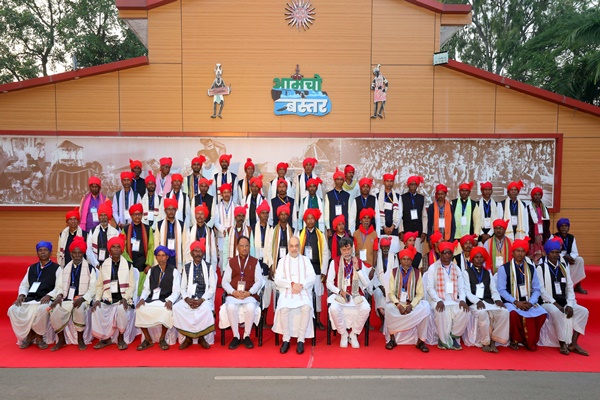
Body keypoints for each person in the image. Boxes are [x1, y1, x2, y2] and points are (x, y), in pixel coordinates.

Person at [536, 240, 589, 356]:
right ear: (547, 253)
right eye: (552, 252)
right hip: (547, 302)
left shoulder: (563, 266)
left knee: (583, 311)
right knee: (556, 312)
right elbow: (542, 291)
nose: (555, 255)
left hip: (564, 301)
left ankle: (573, 343)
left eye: (557, 252)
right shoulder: (540, 268)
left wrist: (569, 304)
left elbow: (570, 287)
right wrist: (556, 304)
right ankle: (562, 343)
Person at [8, 241, 61, 349]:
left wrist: (49, 295)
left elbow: (59, 287)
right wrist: (21, 296)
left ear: (50, 252)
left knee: (42, 310)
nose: (43, 253)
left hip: (45, 299)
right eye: (40, 251)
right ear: (37, 253)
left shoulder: (57, 268)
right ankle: (29, 334)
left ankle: (39, 336)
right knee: (13, 309)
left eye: (45, 250)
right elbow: (24, 285)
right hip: (31, 299)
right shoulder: (31, 268)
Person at [497, 238, 547, 351]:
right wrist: (516, 302)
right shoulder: (504, 268)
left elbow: (536, 289)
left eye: (522, 251)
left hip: (528, 301)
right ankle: (515, 339)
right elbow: (501, 290)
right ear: (513, 252)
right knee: (513, 313)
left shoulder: (531, 268)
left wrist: (531, 302)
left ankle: (529, 340)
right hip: (511, 301)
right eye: (517, 251)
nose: (520, 253)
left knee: (542, 313)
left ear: (526, 253)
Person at [49, 237, 96, 351]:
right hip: (66, 298)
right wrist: (59, 296)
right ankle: (61, 340)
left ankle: (80, 338)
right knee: (54, 309)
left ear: (83, 254)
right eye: (74, 253)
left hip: (82, 299)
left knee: (79, 309)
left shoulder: (90, 268)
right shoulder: (64, 268)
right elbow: (59, 286)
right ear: (70, 254)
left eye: (80, 253)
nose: (77, 255)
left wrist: (83, 298)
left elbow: (93, 288)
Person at [91, 234, 135, 350]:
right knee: (96, 309)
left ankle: (120, 337)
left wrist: (125, 298)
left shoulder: (128, 265)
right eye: (113, 247)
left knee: (121, 309)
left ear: (122, 249)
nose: (116, 249)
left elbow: (131, 286)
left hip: (123, 298)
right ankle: (105, 339)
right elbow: (99, 285)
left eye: (118, 247)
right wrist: (96, 300)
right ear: (109, 250)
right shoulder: (104, 265)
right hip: (108, 299)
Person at [273, 236, 317, 354]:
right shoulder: (282, 261)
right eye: (291, 246)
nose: (294, 249)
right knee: (284, 308)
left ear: (300, 247)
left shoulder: (305, 260)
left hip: (303, 291)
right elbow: (277, 279)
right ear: (288, 247)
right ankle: (286, 339)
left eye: (296, 246)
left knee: (306, 307)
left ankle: (300, 339)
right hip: (287, 291)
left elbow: (312, 277)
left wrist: (301, 285)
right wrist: (291, 284)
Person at [326, 237, 371, 348]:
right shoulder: (334, 262)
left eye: (348, 249)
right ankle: (343, 334)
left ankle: (354, 334)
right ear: (340, 250)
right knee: (333, 308)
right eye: (344, 250)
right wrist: (340, 291)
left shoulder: (359, 262)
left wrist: (358, 269)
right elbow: (329, 283)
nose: (346, 252)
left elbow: (367, 283)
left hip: (355, 294)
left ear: (352, 249)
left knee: (366, 308)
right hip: (340, 294)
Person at [384, 245, 430, 352]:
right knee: (389, 309)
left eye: (408, 259)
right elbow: (390, 293)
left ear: (411, 260)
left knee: (426, 307)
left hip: (412, 304)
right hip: (398, 303)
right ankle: (392, 338)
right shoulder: (393, 272)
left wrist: (411, 306)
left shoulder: (417, 273)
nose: (406, 262)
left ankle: (421, 341)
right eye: (403, 259)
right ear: (400, 260)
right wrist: (398, 305)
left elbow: (420, 294)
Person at [462, 247, 509, 353]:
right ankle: (485, 342)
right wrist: (477, 301)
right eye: (476, 257)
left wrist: (497, 299)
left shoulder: (487, 272)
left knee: (504, 312)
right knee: (482, 313)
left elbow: (493, 290)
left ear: (484, 259)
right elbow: (467, 292)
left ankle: (495, 339)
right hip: (474, 303)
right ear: (472, 259)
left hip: (488, 301)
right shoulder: (466, 272)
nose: (479, 260)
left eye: (481, 257)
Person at [174, 239, 217, 350]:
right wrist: (187, 299)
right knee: (177, 308)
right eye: (195, 251)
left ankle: (201, 337)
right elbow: (182, 288)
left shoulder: (209, 267)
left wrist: (201, 300)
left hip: (203, 298)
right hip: (189, 298)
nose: (198, 254)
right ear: (191, 253)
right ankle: (188, 337)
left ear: (203, 253)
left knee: (206, 309)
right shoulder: (187, 267)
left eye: (200, 251)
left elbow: (212, 288)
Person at [221, 236, 263, 350]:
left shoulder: (255, 262)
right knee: (230, 307)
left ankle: (246, 336)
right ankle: (236, 336)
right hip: (234, 294)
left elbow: (259, 281)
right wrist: (233, 292)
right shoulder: (232, 262)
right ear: (237, 247)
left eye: (246, 246)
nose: (244, 248)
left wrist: (249, 293)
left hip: (248, 295)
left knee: (250, 307)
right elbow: (224, 281)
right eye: (242, 246)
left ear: (249, 247)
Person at [135, 246, 181, 351]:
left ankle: (162, 338)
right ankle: (148, 339)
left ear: (167, 257)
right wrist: (142, 299)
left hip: (166, 299)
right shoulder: (151, 271)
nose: (161, 258)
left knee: (165, 310)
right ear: (156, 257)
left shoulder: (174, 271)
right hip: (152, 299)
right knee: (139, 309)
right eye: (159, 256)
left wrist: (170, 300)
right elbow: (146, 289)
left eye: (163, 255)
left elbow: (177, 290)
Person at [426, 241, 469, 350]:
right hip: (437, 299)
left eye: (449, 253)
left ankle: (453, 336)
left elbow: (461, 288)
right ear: (440, 254)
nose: (447, 255)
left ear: (452, 255)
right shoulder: (433, 268)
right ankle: (442, 339)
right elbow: (430, 288)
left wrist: (463, 300)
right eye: (444, 253)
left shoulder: (456, 268)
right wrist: (437, 300)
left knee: (464, 311)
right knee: (441, 311)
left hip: (453, 299)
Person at [296, 208, 329, 330]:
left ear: (315, 220)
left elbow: (325, 253)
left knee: (317, 295)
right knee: (304, 294)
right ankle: (305, 319)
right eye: (308, 218)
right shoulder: (299, 233)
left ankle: (318, 320)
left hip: (316, 268)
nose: (310, 221)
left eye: (312, 218)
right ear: (305, 220)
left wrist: (324, 271)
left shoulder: (320, 235)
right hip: (303, 269)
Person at [122, 203, 155, 295]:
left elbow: (151, 247)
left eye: (139, 214)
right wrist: (128, 263)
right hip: (130, 264)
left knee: (141, 292)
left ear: (142, 215)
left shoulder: (148, 229)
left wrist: (148, 264)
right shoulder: (125, 230)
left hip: (143, 266)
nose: (137, 216)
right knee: (130, 291)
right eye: (134, 214)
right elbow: (123, 248)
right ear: (131, 215)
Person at [252, 202, 275, 323]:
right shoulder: (252, 227)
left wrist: (271, 266)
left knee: (266, 290)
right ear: (258, 214)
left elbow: (272, 249)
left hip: (266, 262)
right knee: (255, 289)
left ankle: (264, 319)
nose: (265, 215)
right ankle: (255, 319)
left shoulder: (272, 229)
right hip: (255, 261)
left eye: (267, 213)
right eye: (263, 213)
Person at [554, 218, 587, 294]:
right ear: (558, 228)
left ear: (569, 227)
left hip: (568, 260)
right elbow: (551, 251)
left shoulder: (571, 237)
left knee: (580, 260)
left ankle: (578, 285)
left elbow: (575, 252)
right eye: (561, 226)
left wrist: (571, 257)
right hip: (557, 260)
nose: (564, 228)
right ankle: (564, 286)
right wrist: (564, 257)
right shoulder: (554, 237)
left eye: (566, 226)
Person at [153, 198, 186, 272]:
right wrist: (156, 263)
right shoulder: (159, 224)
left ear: (176, 210)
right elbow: (156, 245)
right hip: (163, 259)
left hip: (176, 259)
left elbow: (185, 245)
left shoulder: (182, 225)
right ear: (165, 210)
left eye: (173, 209)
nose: (171, 211)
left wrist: (185, 264)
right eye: (168, 209)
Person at [372, 237, 398, 329]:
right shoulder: (377, 257)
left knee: (391, 296)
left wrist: (389, 287)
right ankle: (383, 322)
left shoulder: (394, 257)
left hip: (391, 285)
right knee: (379, 294)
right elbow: (374, 274)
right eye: (383, 247)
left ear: (390, 246)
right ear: (381, 247)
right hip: (379, 285)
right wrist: (381, 287)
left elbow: (396, 273)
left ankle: (389, 322)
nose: (385, 249)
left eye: (387, 246)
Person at [86, 200, 119, 269]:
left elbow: (118, 251)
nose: (103, 217)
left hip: (111, 266)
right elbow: (88, 250)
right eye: (101, 215)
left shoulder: (115, 232)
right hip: (96, 266)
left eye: (105, 215)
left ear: (109, 217)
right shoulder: (93, 231)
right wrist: (95, 263)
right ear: (98, 217)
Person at [399, 175, 428, 253]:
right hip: (406, 231)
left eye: (415, 184)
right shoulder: (402, 197)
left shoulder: (421, 198)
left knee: (417, 255)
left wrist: (424, 231)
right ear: (408, 185)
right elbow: (400, 215)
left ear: (417, 186)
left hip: (418, 231)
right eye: (411, 184)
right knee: (406, 255)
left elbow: (424, 216)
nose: (413, 186)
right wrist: (401, 231)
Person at [185, 204, 218, 270]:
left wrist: (213, 267)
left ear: (205, 216)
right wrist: (188, 262)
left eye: (202, 214)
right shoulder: (190, 230)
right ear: (195, 216)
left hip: (206, 261)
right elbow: (187, 249)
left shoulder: (210, 230)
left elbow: (213, 251)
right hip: (193, 261)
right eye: (198, 214)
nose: (200, 216)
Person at [213, 183, 237, 271]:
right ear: (221, 194)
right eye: (224, 192)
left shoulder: (236, 206)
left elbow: (238, 221)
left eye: (228, 192)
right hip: (222, 237)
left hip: (233, 236)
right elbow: (215, 221)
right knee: (223, 258)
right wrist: (223, 229)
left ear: (231, 193)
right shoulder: (217, 207)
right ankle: (223, 278)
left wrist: (230, 230)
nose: (226, 194)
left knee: (233, 256)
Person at [265, 203, 295, 272]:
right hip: (276, 262)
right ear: (278, 216)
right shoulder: (273, 229)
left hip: (288, 263)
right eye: (281, 214)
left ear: (288, 216)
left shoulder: (293, 230)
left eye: (285, 214)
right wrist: (271, 264)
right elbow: (268, 247)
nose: (283, 216)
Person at [222, 205, 253, 270]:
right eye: (239, 216)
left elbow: (252, 249)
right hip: (232, 263)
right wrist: (224, 267)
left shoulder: (249, 230)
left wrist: (252, 265)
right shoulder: (229, 230)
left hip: (245, 263)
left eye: (243, 216)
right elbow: (226, 249)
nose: (241, 218)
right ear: (235, 217)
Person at [377, 170, 401, 252]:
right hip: (381, 231)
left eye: (391, 181)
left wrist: (392, 227)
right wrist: (383, 227)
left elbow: (400, 214)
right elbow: (376, 214)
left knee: (393, 255)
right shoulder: (377, 196)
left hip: (393, 231)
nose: (389, 183)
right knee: (382, 255)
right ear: (384, 182)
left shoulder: (397, 197)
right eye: (387, 181)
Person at [324, 167, 351, 238]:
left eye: (341, 179)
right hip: (333, 228)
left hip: (344, 227)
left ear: (343, 181)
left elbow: (349, 213)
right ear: (334, 181)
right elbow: (326, 213)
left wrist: (349, 228)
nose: (339, 181)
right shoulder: (329, 195)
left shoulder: (347, 195)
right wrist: (328, 228)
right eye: (337, 179)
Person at [527, 187, 551, 264]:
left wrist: (546, 236)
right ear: (532, 196)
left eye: (539, 194)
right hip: (533, 236)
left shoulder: (545, 209)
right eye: (535, 194)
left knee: (542, 258)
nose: (537, 196)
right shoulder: (528, 208)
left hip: (542, 236)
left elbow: (547, 224)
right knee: (532, 258)